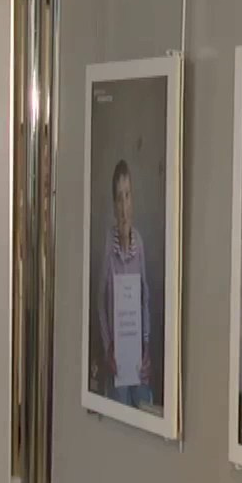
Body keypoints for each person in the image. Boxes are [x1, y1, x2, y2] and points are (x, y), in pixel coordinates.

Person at [94, 159, 153, 408]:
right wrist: (108, 346)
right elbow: (100, 301)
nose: (123, 206)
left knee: (143, 405)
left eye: (127, 196)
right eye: (119, 198)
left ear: (133, 200)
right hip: (117, 356)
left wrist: (146, 347)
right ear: (113, 204)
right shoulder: (108, 243)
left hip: (137, 352)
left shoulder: (139, 242)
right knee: (119, 408)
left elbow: (145, 298)